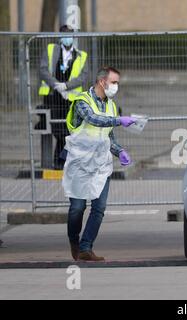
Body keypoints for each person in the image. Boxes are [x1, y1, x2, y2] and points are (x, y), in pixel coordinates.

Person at [62, 66, 137, 262]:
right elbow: (94, 120)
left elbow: (108, 135)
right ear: (102, 82)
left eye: (117, 83)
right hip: (80, 162)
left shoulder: (111, 105)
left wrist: (119, 150)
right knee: (77, 208)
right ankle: (74, 241)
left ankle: (86, 248)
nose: (116, 86)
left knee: (99, 207)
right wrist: (120, 120)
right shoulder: (82, 101)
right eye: (114, 82)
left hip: (101, 163)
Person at [39, 25, 89, 169]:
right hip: (53, 97)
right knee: (56, 129)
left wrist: (66, 86)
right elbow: (43, 70)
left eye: (69, 35)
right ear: (60, 37)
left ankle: (61, 161)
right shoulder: (51, 50)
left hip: (70, 98)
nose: (67, 38)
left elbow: (83, 77)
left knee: (68, 130)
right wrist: (56, 85)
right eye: (64, 35)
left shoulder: (81, 55)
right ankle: (62, 160)